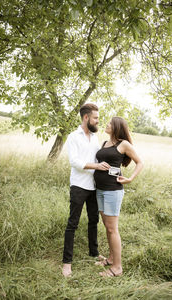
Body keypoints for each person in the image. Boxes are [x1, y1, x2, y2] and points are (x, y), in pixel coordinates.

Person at [62, 103, 110, 277]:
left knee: (93, 220)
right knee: (72, 223)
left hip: (93, 185)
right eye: (95, 118)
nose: (98, 121)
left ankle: (94, 253)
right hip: (79, 185)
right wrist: (96, 166)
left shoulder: (95, 138)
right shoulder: (73, 136)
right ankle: (67, 262)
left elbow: (98, 155)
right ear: (86, 118)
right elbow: (74, 161)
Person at [94, 116, 143, 277]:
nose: (106, 125)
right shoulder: (104, 143)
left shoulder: (124, 144)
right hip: (99, 189)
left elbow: (140, 163)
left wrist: (130, 178)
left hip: (112, 190)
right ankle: (110, 258)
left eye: (109, 123)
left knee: (112, 228)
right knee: (107, 228)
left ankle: (117, 268)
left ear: (116, 127)